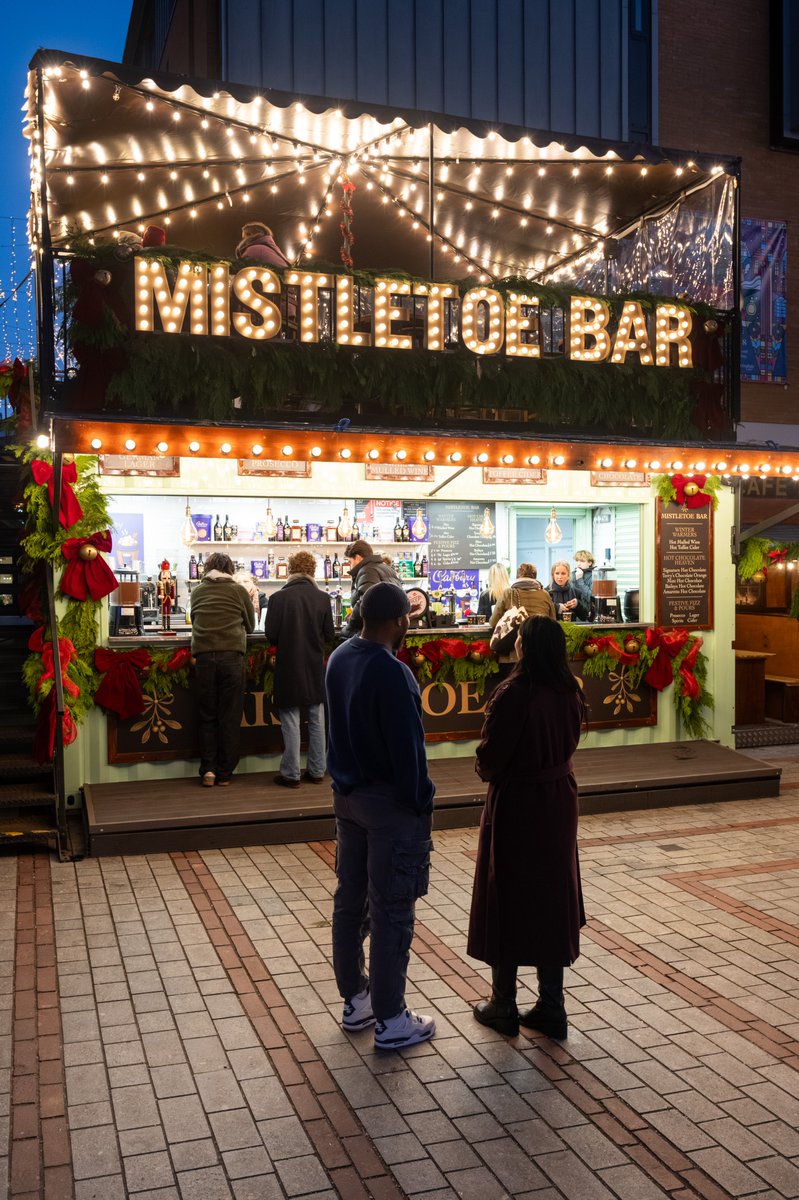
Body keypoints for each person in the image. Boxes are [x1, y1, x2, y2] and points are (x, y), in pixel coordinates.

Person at [326, 583, 436, 1051]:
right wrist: (421, 800)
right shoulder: (393, 673)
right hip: (390, 805)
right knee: (393, 910)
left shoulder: (340, 657)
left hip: (346, 797)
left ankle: (358, 1000)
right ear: (399, 621)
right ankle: (392, 1019)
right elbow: (409, 751)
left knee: (351, 901)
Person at [468, 615, 587, 1040]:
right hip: (558, 801)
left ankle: (504, 1003)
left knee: (509, 894)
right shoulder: (570, 690)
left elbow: (490, 758)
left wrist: (485, 765)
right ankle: (552, 1005)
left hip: (518, 804)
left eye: (519, 637)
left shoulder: (515, 693)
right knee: (552, 896)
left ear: (527, 647)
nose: (515, 642)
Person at [264, 550, 334, 788]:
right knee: (317, 717)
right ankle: (317, 771)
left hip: (288, 664)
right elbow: (330, 635)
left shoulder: (277, 599)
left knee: (291, 720)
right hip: (314, 664)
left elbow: (270, 635)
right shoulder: (323, 598)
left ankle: (291, 774)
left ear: (290, 570)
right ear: (313, 571)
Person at [189, 552, 255, 787]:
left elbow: (193, 618)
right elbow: (251, 625)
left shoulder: (197, 591)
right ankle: (225, 773)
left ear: (206, 568)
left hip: (204, 658)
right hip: (231, 657)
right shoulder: (238, 591)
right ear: (230, 569)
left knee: (207, 716)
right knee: (229, 716)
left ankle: (208, 771)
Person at [488, 563, 556, 678]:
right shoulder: (545, 595)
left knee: (513, 692)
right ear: (535, 576)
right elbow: (553, 622)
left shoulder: (508, 593)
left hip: (512, 656)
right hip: (539, 654)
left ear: (518, 576)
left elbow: (493, 622)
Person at [343, 539, 401, 632]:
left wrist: (350, 625)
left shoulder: (367, 571)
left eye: (350, 562)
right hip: (391, 631)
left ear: (357, 557)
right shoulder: (387, 568)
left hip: (373, 633)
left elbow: (365, 602)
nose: (350, 565)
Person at [573, 550, 596, 620]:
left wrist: (580, 580)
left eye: (582, 561)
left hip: (588, 617)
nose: (578, 564)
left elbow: (592, 598)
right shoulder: (572, 575)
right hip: (572, 615)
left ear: (590, 562)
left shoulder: (595, 576)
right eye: (577, 561)